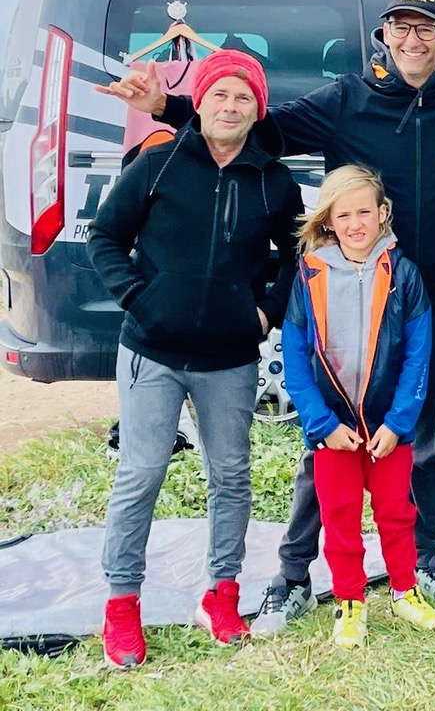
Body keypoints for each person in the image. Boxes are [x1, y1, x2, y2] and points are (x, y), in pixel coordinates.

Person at [97, 0, 435, 630]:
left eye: (425, 28)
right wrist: (169, 106)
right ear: (385, 35)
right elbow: (254, 124)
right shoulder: (347, 98)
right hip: (352, 299)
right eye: (400, 27)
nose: (412, 39)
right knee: (328, 442)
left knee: (429, 441)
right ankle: (294, 574)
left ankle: (425, 559)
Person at [87, 51, 303, 668]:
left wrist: (265, 314)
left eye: (243, 98)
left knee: (231, 476)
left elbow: (296, 255)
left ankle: (221, 594)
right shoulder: (157, 163)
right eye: (219, 95)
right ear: (200, 102)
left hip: (229, 358)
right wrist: (138, 298)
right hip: (151, 350)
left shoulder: (273, 181)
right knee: (142, 474)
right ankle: (121, 604)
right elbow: (105, 236)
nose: (230, 107)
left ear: (257, 110)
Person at [282, 165, 435, 647]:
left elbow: (418, 356)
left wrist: (398, 422)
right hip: (333, 428)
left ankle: (405, 591)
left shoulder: (404, 275)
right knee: (339, 515)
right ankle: (349, 601)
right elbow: (294, 358)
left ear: (382, 213)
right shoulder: (309, 276)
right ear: (328, 221)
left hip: (387, 427)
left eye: (364, 212)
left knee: (396, 511)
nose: (355, 223)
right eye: (344, 215)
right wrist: (321, 423)